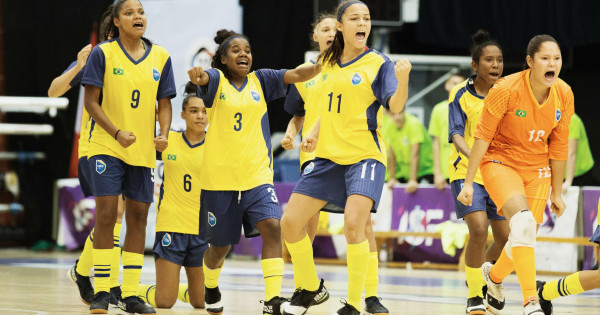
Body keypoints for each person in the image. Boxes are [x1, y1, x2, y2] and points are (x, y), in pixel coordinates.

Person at [280, 1, 411, 314]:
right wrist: (312, 131)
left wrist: (403, 77)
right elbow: (328, 106)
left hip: (364, 156)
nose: (362, 23)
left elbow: (395, 106)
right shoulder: (325, 62)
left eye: (366, 18)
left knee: (356, 224)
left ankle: (356, 302)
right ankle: (310, 287)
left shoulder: (379, 62)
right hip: (325, 157)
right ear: (340, 25)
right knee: (289, 223)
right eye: (354, 18)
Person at [187, 29, 320, 315]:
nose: (243, 54)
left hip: (257, 175)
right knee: (219, 248)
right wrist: (199, 77)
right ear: (222, 59)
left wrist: (324, 66)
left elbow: (297, 75)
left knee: (273, 228)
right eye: (235, 50)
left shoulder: (262, 80)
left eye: (247, 49)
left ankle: (272, 300)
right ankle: (210, 284)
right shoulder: (217, 80)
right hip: (219, 178)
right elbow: (205, 79)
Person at [457, 34, 573, 314]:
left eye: (556, 58)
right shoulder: (506, 89)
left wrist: (557, 191)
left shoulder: (564, 93)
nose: (552, 64)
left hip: (537, 168)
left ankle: (494, 277)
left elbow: (558, 145)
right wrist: (469, 181)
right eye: (545, 58)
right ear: (530, 62)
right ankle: (530, 301)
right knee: (521, 225)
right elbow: (482, 137)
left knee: (524, 234)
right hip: (500, 161)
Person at [82, 0, 175, 313]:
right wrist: (116, 132)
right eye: (130, 12)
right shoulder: (103, 53)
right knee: (108, 214)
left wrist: (163, 132)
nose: (138, 16)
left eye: (141, 12)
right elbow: (91, 103)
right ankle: (103, 291)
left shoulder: (161, 56)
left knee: (138, 217)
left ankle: (131, 294)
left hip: (143, 149)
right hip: (106, 145)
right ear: (117, 21)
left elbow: (164, 102)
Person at [49, 10, 126, 307]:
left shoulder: (143, 58)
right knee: (114, 214)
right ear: (111, 32)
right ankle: (108, 284)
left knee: (118, 217)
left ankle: (84, 272)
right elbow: (54, 91)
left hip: (128, 147)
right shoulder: (96, 58)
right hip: (96, 147)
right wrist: (78, 66)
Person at [448, 30, 508, 315]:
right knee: (479, 229)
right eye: (489, 60)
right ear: (475, 65)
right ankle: (474, 294)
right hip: (466, 173)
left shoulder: (508, 94)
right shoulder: (460, 94)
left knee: (507, 237)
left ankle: (482, 275)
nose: (495, 65)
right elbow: (456, 134)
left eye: (499, 60)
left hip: (500, 174)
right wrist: (473, 156)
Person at [137, 88, 208, 310]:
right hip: (171, 225)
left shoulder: (217, 146)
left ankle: (174, 287)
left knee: (200, 302)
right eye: (194, 111)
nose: (200, 116)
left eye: (204, 112)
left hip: (202, 230)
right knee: (164, 302)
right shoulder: (169, 141)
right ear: (183, 114)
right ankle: (128, 290)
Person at [381, 109, 433, 193]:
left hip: (424, 172)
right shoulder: (390, 125)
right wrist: (392, 178)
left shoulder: (414, 124)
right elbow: (391, 153)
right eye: (393, 114)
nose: (397, 117)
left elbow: (415, 153)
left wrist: (412, 179)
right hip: (406, 174)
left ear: (404, 111)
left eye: (400, 113)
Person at [428, 74, 465, 190]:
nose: (457, 86)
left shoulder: (470, 109)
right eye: (454, 83)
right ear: (446, 85)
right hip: (444, 172)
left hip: (465, 170)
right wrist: (437, 172)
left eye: (460, 83)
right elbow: (436, 143)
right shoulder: (438, 110)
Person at [562, 113, 595, 193]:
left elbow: (571, 152)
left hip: (580, 172)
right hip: (561, 173)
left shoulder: (572, 119)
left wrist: (568, 181)